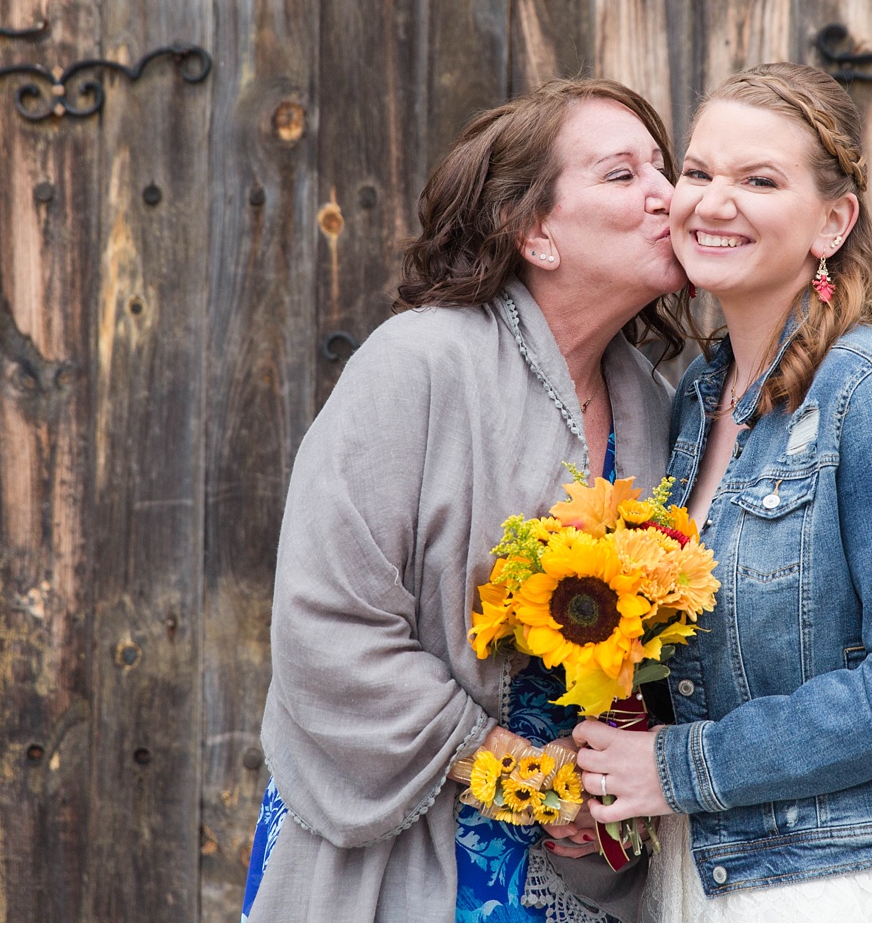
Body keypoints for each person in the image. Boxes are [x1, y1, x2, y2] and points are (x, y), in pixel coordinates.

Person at [241, 78, 692, 922]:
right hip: (400, 851)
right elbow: (325, 627)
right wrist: (521, 777)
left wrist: (606, 794)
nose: (672, 195)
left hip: (580, 877)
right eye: (623, 175)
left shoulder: (660, 409)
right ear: (537, 233)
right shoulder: (415, 365)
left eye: (665, 169)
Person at [570, 62, 872, 921]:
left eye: (758, 180)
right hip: (706, 880)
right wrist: (607, 779)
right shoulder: (699, 397)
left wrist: (676, 766)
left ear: (832, 221)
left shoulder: (870, 393)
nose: (711, 201)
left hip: (848, 886)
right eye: (697, 173)